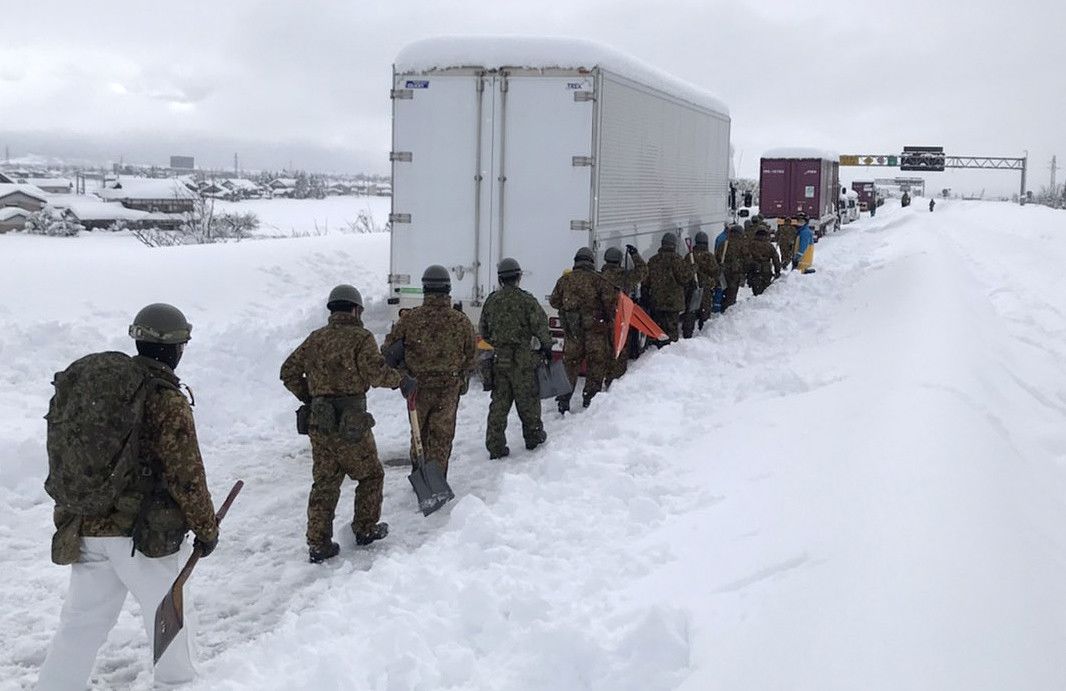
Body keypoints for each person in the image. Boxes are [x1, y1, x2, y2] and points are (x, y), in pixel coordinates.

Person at [38, 303, 218, 690]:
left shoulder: (105, 390)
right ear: (175, 347)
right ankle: (178, 684)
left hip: (87, 525)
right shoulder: (164, 398)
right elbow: (186, 474)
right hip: (142, 536)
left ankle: (55, 685)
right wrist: (206, 525)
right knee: (167, 613)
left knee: (81, 622)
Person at [281, 284, 415, 563]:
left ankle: (318, 544)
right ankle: (365, 528)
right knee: (370, 475)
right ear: (356, 309)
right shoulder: (361, 337)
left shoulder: (316, 338)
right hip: (351, 424)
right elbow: (376, 373)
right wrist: (400, 380)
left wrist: (313, 397)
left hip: (320, 422)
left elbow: (288, 371)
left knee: (325, 482)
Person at [382, 265, 476, 477]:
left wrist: (404, 373)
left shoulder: (409, 319)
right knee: (441, 437)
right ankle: (436, 480)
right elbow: (472, 356)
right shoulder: (460, 321)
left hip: (417, 388)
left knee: (419, 433)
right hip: (448, 389)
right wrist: (461, 377)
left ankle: (420, 473)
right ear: (448, 289)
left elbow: (388, 352)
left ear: (424, 289)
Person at [480, 258, 552, 458]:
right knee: (528, 401)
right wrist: (546, 346)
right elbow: (541, 327)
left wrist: (499, 343)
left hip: (500, 360)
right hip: (523, 360)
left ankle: (495, 445)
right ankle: (533, 437)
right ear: (519, 277)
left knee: (499, 404)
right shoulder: (527, 300)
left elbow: (483, 331)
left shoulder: (492, 301)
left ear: (500, 278)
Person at [549, 247, 616, 411]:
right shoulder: (599, 280)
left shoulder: (564, 280)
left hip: (573, 332)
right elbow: (609, 305)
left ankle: (563, 400)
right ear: (591, 262)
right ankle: (590, 398)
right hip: (595, 331)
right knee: (596, 364)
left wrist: (570, 309)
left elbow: (554, 301)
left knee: (570, 365)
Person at [601, 244, 647, 387]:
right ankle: (616, 382)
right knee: (620, 349)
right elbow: (643, 271)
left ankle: (605, 377)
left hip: (603, 318)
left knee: (606, 349)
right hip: (620, 318)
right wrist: (635, 255)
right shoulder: (625, 277)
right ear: (620, 261)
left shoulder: (598, 277)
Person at [644, 233, 695, 342]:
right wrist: (692, 268)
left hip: (657, 301)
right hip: (673, 302)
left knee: (658, 329)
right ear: (674, 245)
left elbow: (646, 282)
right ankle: (669, 351)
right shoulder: (677, 259)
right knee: (671, 330)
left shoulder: (653, 260)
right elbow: (684, 278)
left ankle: (658, 348)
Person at [682, 231, 720, 337]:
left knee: (690, 312)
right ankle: (704, 334)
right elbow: (715, 272)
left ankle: (687, 334)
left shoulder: (689, 256)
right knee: (705, 312)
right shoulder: (709, 256)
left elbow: (684, 272)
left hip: (692, 288)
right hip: (705, 289)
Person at [716, 224, 748, 311]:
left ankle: (722, 307)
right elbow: (746, 258)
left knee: (724, 291)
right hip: (735, 273)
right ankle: (728, 311)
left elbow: (717, 257)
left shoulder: (724, 243)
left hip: (724, 272)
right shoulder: (741, 244)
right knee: (731, 294)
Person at [747, 227, 782, 295]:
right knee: (765, 290)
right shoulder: (769, 245)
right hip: (766, 270)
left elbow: (745, 257)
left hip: (754, 270)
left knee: (756, 289)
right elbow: (776, 258)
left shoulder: (750, 244)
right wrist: (777, 271)